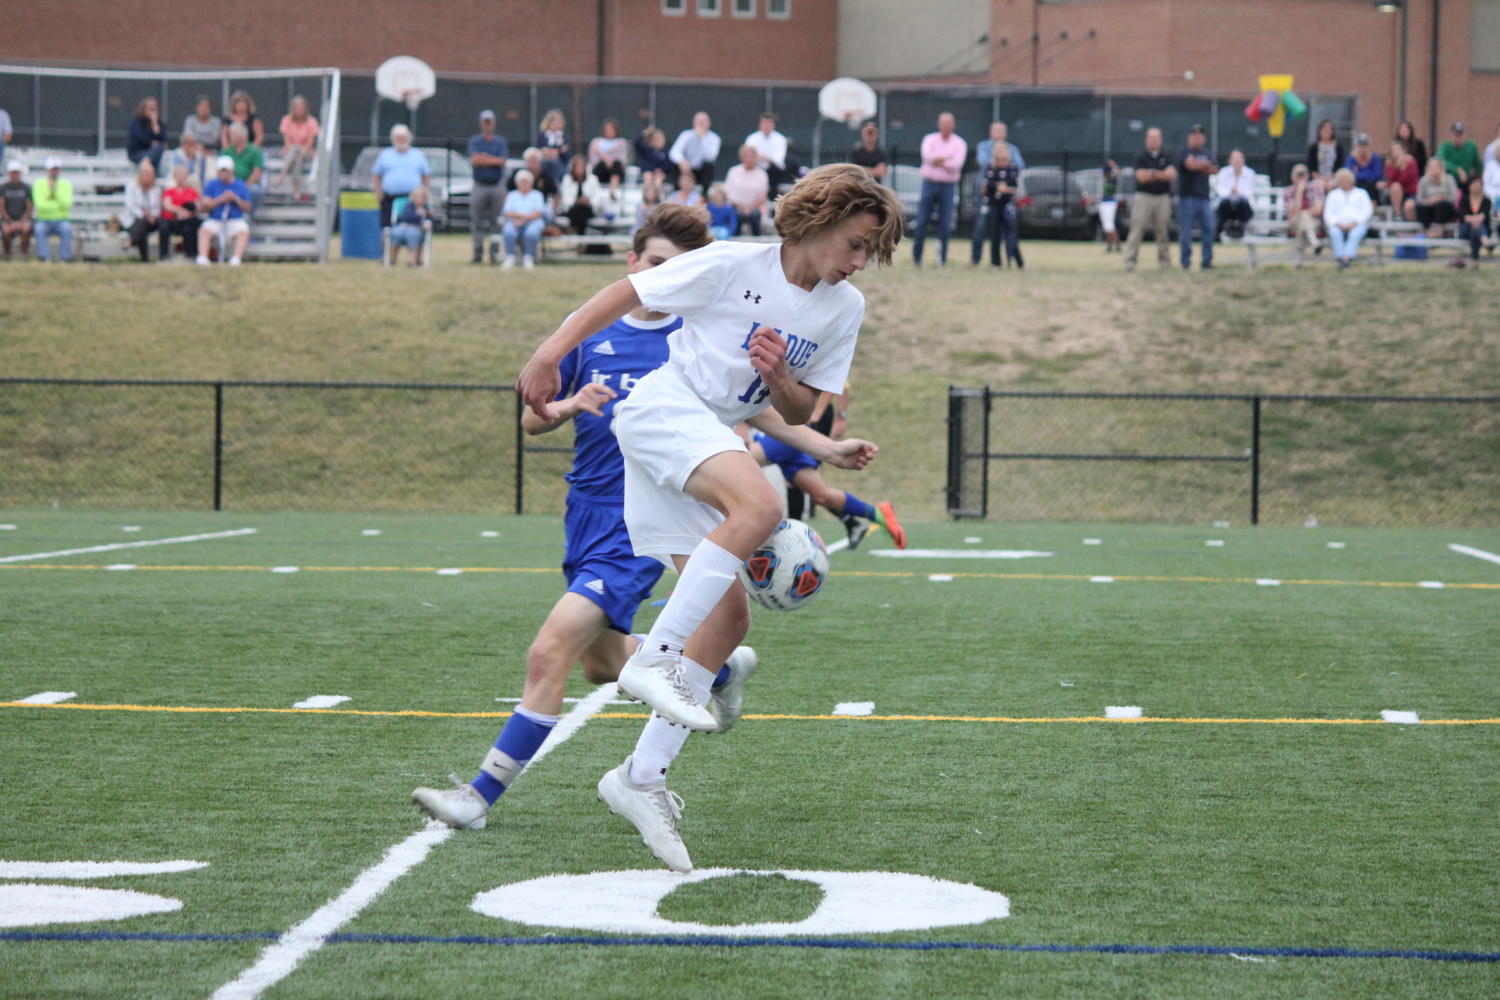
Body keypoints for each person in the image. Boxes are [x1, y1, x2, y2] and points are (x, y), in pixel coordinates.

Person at [513, 164, 901, 871]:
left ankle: (640, 779)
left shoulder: (845, 309)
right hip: (665, 412)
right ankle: (654, 659)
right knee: (761, 503)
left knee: (728, 622)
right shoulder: (731, 265)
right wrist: (548, 354)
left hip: (709, 437)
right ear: (818, 223)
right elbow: (623, 291)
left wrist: (783, 377)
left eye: (869, 253)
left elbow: (795, 410)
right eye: (854, 243)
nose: (858, 262)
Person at [412, 204, 788, 841]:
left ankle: (478, 796)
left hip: (637, 524)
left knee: (549, 651)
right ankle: (719, 669)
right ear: (632, 263)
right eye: (653, 263)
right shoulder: (593, 336)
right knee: (601, 663)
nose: (661, 274)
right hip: (583, 519)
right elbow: (532, 419)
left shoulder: (688, 342)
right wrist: (567, 404)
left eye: (675, 267)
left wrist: (827, 449)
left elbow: (753, 410)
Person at [747, 422, 905, 551]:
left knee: (741, 461)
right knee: (821, 496)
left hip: (779, 432)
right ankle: (877, 513)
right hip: (782, 434)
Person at [911, 111, 966, 267]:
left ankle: (942, 259)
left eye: (948, 123)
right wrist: (946, 159)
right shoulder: (929, 139)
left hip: (948, 186)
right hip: (929, 183)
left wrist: (938, 160)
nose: (946, 126)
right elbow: (927, 157)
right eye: (943, 123)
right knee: (922, 221)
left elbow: (957, 164)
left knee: (945, 223)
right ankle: (917, 258)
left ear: (953, 125)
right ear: (938, 124)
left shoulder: (959, 143)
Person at [969, 121, 1025, 264]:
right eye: (996, 130)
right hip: (988, 194)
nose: (999, 133)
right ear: (991, 132)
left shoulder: (1012, 148)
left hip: (1007, 198)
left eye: (1002, 130)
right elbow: (983, 161)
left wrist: (1003, 165)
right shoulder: (983, 146)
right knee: (982, 226)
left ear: (1005, 133)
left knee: (1010, 230)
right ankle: (976, 258)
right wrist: (999, 160)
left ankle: (1015, 260)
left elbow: (1020, 165)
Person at [1123, 127, 1175, 271]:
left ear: (1161, 139)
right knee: (1137, 229)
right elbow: (1141, 177)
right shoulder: (1141, 157)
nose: (1154, 140)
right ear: (1146, 139)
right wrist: (1160, 174)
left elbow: (1171, 175)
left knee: (1163, 231)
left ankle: (1165, 262)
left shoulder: (1167, 156)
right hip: (1143, 197)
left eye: (1157, 137)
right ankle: (1130, 261)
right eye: (1151, 138)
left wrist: (1151, 173)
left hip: (1162, 198)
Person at [467, 109, 509, 264]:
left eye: (489, 122)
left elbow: (502, 161)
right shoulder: (475, 141)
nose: (487, 125)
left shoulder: (500, 142)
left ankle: (494, 254)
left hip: (496, 185)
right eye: (485, 122)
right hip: (479, 185)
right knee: (477, 222)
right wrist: (492, 159)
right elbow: (476, 160)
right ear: (481, 123)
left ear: (494, 123)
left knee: (496, 221)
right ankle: (477, 254)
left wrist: (484, 158)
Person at [372, 124, 430, 230]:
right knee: (387, 228)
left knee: (416, 227)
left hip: (413, 199)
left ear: (409, 138)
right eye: (398, 138)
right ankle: (387, 246)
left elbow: (425, 175)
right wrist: (378, 193)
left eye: (403, 138)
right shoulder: (385, 154)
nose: (401, 140)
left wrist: (425, 193)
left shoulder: (418, 155)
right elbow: (376, 175)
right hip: (390, 198)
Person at [1176, 124, 1218, 269]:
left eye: (1200, 135)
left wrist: (1199, 164)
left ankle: (1207, 261)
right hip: (1186, 197)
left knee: (1209, 228)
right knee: (1185, 230)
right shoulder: (1183, 152)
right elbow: (1190, 166)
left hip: (1204, 197)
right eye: (1194, 135)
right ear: (1189, 137)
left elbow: (1214, 169)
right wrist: (1204, 165)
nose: (1197, 138)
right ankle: (1185, 261)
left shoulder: (1208, 153)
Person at [197, 155, 251, 266]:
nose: (223, 173)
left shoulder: (240, 185)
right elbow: (205, 204)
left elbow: (247, 207)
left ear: (231, 171)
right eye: (221, 170)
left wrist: (235, 199)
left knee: (243, 230)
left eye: (226, 170)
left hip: (234, 219)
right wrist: (221, 199)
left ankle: (236, 258)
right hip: (216, 219)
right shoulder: (211, 184)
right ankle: (203, 257)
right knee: (204, 230)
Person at [1322, 167, 1372, 269]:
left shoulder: (1361, 193)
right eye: (1340, 180)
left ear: (1351, 180)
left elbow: (1367, 211)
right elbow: (1328, 214)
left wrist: (1355, 222)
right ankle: (1340, 257)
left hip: (1357, 224)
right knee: (1334, 233)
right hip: (1338, 225)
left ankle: (1347, 257)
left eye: (1345, 179)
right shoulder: (1333, 194)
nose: (1343, 182)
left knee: (1355, 234)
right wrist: (1337, 223)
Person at [274, 95, 319, 200]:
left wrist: (302, 150)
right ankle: (296, 189)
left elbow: (310, 142)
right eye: (296, 107)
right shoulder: (286, 120)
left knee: (297, 153)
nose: (299, 110)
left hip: (306, 152)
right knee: (295, 154)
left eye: (301, 107)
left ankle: (282, 175)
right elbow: (287, 142)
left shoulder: (311, 121)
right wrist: (296, 150)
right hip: (291, 152)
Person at [501, 168, 546, 270]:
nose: (525, 185)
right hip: (515, 222)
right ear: (517, 183)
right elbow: (508, 212)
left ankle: (528, 257)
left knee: (532, 232)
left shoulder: (537, 195)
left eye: (527, 182)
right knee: (508, 231)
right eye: (522, 182)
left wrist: (523, 219)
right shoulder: (512, 195)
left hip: (532, 222)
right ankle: (510, 257)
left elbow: (538, 212)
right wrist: (520, 219)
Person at [119, 159, 163, 262]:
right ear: (140, 174)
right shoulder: (132, 186)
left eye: (150, 174)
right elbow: (130, 206)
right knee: (142, 225)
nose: (148, 176)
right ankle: (145, 260)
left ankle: (131, 241)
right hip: (133, 220)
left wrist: (152, 216)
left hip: (151, 221)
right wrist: (144, 215)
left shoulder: (156, 189)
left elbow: (157, 208)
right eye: (145, 174)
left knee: (148, 224)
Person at [33, 156, 73, 262]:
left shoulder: (66, 184)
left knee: (67, 229)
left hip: (61, 220)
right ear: (47, 170)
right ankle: (44, 258)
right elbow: (40, 205)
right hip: (44, 219)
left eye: (56, 169)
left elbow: (67, 204)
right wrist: (57, 205)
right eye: (52, 169)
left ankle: (64, 259)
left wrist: (55, 191)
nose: (54, 172)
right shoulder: (39, 184)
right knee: (39, 229)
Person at [1282, 163, 1325, 264]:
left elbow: (1318, 210)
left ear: (1307, 176)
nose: (1301, 179)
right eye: (1298, 176)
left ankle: (1298, 260)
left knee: (1304, 220)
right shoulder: (1288, 191)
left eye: (1303, 176)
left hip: (1314, 222)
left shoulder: (1315, 188)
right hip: (1294, 222)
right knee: (1303, 218)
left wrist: (1304, 213)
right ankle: (1314, 242)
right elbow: (1294, 212)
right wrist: (1299, 192)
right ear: (1293, 177)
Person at [221, 121, 266, 216]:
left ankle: (248, 217)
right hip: (227, 184)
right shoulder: (226, 152)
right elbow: (220, 171)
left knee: (254, 190)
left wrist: (243, 186)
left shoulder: (255, 151)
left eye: (232, 135)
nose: (230, 138)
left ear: (241, 136)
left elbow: (257, 172)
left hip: (247, 184)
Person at [668, 112, 721, 192]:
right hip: (686, 169)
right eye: (699, 121)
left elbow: (711, 157)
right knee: (674, 165)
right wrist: (682, 162)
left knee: (709, 166)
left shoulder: (714, 138)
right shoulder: (686, 135)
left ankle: (704, 194)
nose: (701, 124)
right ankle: (676, 191)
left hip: (701, 171)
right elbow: (674, 152)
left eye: (703, 121)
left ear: (709, 123)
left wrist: (702, 139)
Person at [723, 144, 768, 235]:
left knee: (755, 215)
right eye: (746, 156)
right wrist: (742, 208)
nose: (749, 159)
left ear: (756, 158)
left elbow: (762, 196)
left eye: (751, 156)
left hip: (755, 208)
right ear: (742, 157)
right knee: (737, 215)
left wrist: (750, 208)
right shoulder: (733, 171)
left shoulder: (762, 174)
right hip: (736, 208)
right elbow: (728, 194)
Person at [160, 162, 200, 261]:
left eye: (184, 175)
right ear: (175, 176)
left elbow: (198, 206)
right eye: (179, 175)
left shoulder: (192, 191)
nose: (182, 178)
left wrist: (189, 214)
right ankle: (164, 255)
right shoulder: (170, 191)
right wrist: (181, 211)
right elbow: (167, 205)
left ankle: (191, 255)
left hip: (186, 220)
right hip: (171, 219)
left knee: (190, 228)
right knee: (164, 227)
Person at [744, 112, 789, 195]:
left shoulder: (780, 139)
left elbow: (777, 160)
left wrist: (762, 158)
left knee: (775, 169)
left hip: (773, 172)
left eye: (769, 123)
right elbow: (748, 156)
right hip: (756, 169)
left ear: (773, 125)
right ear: (760, 124)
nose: (766, 126)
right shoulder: (752, 138)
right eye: (764, 123)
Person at [1213, 148, 1255, 238]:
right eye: (1234, 158)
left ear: (1243, 160)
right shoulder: (1224, 172)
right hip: (1227, 205)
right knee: (1224, 203)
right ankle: (1218, 233)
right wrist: (1230, 192)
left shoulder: (1249, 173)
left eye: (1239, 158)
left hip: (1242, 206)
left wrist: (1238, 192)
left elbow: (1248, 192)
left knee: (1243, 202)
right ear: (1230, 160)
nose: (1237, 161)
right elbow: (1221, 190)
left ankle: (1240, 226)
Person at [388, 186, 432, 266]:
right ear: (413, 197)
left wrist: (425, 218)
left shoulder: (427, 209)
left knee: (412, 234)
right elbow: (405, 217)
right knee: (396, 233)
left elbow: (430, 220)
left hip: (416, 229)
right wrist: (418, 216)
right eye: (417, 197)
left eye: (421, 197)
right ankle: (392, 259)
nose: (419, 199)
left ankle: (412, 261)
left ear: (425, 199)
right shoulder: (409, 206)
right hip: (403, 228)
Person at [558, 154, 601, 235]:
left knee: (582, 209)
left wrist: (588, 201)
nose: (579, 170)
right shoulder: (567, 179)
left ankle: (573, 229)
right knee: (579, 209)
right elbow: (565, 198)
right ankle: (582, 236)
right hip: (572, 210)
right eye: (577, 168)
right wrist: (577, 201)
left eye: (581, 168)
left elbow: (597, 197)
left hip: (588, 209)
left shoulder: (592, 179)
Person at [1415, 156, 1458, 234]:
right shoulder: (1423, 180)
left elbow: (1454, 197)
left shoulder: (1449, 179)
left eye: (1436, 166)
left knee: (1442, 206)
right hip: (1429, 207)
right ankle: (1427, 231)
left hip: (1445, 208)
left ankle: (1439, 230)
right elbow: (1419, 199)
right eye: (1431, 166)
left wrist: (1441, 198)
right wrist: (1429, 201)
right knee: (1420, 207)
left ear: (1441, 167)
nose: (1433, 168)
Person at [1456, 175, 1492, 266]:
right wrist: (1474, 219)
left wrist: (1475, 219)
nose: (1476, 187)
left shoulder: (1486, 200)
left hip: (1479, 228)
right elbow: (1462, 215)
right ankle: (1483, 240)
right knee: (1475, 227)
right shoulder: (1464, 199)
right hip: (1465, 229)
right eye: (1474, 184)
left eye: (1478, 185)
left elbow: (1485, 215)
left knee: (1474, 231)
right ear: (1469, 186)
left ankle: (1474, 261)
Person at [588, 118, 629, 193]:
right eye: (607, 128)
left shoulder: (621, 142)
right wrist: (605, 159)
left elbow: (623, 160)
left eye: (612, 128)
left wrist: (610, 160)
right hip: (600, 171)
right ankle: (594, 191)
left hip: (616, 172)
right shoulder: (596, 142)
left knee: (616, 164)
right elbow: (592, 160)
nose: (609, 131)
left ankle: (612, 191)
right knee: (602, 163)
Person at [1381, 141, 1418, 221]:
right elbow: (1391, 180)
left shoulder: (1411, 162)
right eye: (1394, 150)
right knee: (1395, 186)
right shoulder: (1389, 165)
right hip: (1395, 195)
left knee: (1409, 206)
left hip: (1410, 193)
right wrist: (1397, 167)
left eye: (1399, 149)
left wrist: (1402, 166)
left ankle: (1412, 228)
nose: (1397, 152)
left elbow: (1406, 179)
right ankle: (1397, 215)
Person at [1, 161, 32, 260]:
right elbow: (1, 206)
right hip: (8, 219)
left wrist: (22, 221)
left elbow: (29, 207)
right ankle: (7, 254)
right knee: (6, 230)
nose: (15, 175)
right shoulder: (3, 188)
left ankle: (24, 255)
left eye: (17, 172)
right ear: (9, 173)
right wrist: (9, 221)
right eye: (13, 172)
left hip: (23, 219)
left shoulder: (26, 188)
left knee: (26, 229)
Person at [126, 97, 167, 170]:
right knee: (152, 159)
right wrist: (151, 142)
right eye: (150, 109)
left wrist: (154, 124)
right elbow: (140, 138)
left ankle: (148, 166)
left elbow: (163, 139)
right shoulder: (136, 122)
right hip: (137, 153)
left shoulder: (159, 124)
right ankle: (146, 164)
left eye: (154, 109)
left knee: (158, 150)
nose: (152, 112)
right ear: (143, 109)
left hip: (154, 153)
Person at [1438, 121, 1482, 188]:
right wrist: (1458, 169)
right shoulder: (1444, 146)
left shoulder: (1471, 147)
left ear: (1465, 135)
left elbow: (1478, 165)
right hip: (1448, 181)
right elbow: (1440, 160)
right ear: (1451, 135)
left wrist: (1480, 178)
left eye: (1461, 135)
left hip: (1466, 181)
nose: (1458, 138)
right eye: (1456, 135)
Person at [535, 109, 571, 186]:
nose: (555, 124)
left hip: (561, 164)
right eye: (553, 121)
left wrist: (552, 152)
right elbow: (540, 151)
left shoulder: (564, 137)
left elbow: (564, 152)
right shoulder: (542, 136)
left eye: (558, 121)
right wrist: (555, 152)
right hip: (544, 163)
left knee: (555, 164)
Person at [1345, 133, 1384, 200]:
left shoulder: (1375, 159)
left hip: (1371, 187)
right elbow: (1349, 176)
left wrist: (1358, 174)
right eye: (1360, 146)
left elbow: (1377, 175)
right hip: (1356, 186)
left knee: (1371, 185)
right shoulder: (1351, 159)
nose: (1363, 150)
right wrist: (1368, 172)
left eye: (1365, 146)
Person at [1307, 119, 1344, 185]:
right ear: (1320, 131)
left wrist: (1331, 177)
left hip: (1334, 177)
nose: (1326, 132)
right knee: (1319, 185)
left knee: (1331, 185)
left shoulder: (1338, 147)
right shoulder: (1314, 147)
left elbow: (1340, 165)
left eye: (1328, 130)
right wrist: (1320, 178)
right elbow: (1311, 167)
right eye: (1324, 130)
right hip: (1317, 178)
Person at [1098, 159, 1120, 252]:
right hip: (1104, 203)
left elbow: (1118, 172)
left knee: (1110, 226)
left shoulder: (1112, 179)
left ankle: (1117, 245)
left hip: (1109, 203)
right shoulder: (1105, 180)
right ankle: (1109, 246)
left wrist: (1113, 165)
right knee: (1106, 226)